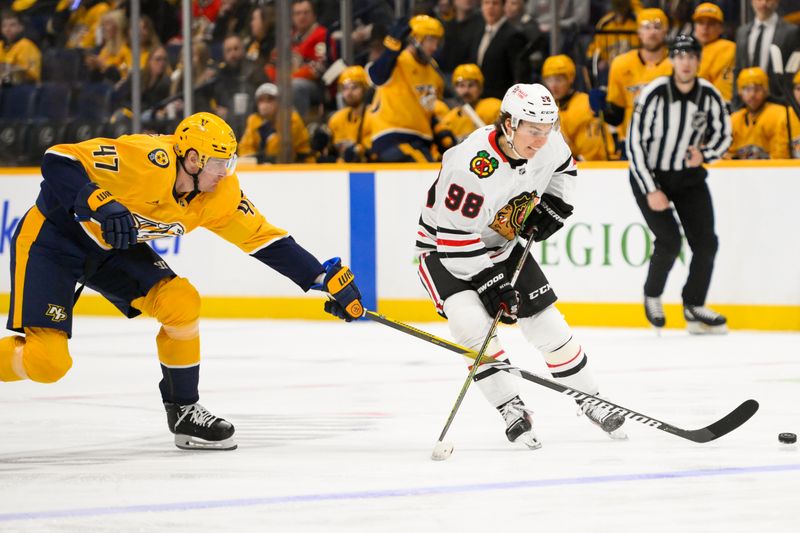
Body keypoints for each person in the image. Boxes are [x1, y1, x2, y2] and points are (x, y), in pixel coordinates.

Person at [0, 112, 363, 451]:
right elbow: (57, 159)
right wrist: (99, 199)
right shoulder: (144, 159)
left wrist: (321, 276)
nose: (226, 172)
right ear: (192, 159)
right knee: (48, 364)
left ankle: (185, 412)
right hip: (55, 238)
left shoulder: (218, 193)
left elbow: (264, 239)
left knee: (181, 302)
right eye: (219, 163)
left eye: (230, 162)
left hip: (116, 247)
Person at [415, 82, 627, 449]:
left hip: (502, 242)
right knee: (473, 329)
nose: (542, 139)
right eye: (533, 130)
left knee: (548, 324)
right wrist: (490, 283)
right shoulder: (472, 165)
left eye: (547, 129)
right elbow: (453, 237)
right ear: (509, 123)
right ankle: (510, 407)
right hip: (444, 251)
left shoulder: (549, 141)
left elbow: (564, 170)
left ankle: (590, 397)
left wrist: (555, 207)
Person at [626, 35, 732, 334]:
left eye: (691, 56)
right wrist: (651, 188)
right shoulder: (654, 93)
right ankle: (653, 294)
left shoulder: (709, 95)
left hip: (688, 178)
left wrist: (705, 154)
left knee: (707, 243)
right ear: (672, 60)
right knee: (670, 240)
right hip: (651, 176)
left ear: (699, 61)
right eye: (680, 55)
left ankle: (693, 305)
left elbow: (725, 134)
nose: (685, 61)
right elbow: (634, 144)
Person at [367, 15, 445, 162]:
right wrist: (392, 47)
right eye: (430, 40)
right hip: (392, 137)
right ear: (415, 39)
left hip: (421, 140)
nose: (434, 47)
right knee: (425, 171)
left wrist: (442, 134)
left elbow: (428, 107)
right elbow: (376, 75)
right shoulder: (398, 61)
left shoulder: (433, 71)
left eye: (437, 41)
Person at [591, 8, 673, 148]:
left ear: (666, 31)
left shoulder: (678, 64)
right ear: (638, 32)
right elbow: (616, 117)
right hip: (630, 144)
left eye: (657, 26)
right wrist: (602, 110)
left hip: (669, 143)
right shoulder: (621, 64)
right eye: (646, 27)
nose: (652, 32)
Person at [542, 54, 616, 161]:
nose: (553, 85)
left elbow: (596, 144)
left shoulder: (587, 102)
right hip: (572, 167)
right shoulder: (548, 109)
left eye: (558, 80)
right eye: (549, 80)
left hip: (599, 167)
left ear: (570, 79)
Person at [734, 0, 800, 105]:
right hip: (746, 104)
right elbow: (738, 69)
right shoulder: (742, 32)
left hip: (779, 102)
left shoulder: (791, 32)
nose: (764, 3)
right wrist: (736, 102)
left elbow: (793, 72)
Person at [238, 82, 313, 163]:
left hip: (301, 167)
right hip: (266, 168)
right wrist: (253, 159)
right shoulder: (254, 120)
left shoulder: (290, 119)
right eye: (261, 100)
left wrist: (261, 157)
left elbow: (279, 151)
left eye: (270, 99)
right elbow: (244, 148)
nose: (265, 104)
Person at [727, 67, 790, 160]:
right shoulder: (734, 119)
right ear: (740, 92)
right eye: (747, 89)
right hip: (742, 172)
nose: (752, 94)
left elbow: (780, 156)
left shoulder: (779, 114)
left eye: (757, 89)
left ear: (765, 91)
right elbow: (727, 154)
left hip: (771, 171)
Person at [435, 63, 501, 146]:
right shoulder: (449, 121)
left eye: (471, 85)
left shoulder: (493, 107)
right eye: (461, 85)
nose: (466, 90)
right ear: (454, 89)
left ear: (480, 88)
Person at [327, 66, 373, 162]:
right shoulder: (336, 119)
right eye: (345, 88)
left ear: (365, 89)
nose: (349, 92)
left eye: (354, 87)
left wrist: (358, 151)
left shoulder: (374, 116)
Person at [692, 2, 736, 104]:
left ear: (721, 28)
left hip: (717, 106)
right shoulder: (690, 49)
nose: (705, 28)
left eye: (711, 23)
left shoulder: (728, 48)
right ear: (694, 26)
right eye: (701, 23)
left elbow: (724, 94)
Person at [0, 10, 41, 85]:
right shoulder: (1, 45)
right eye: (4, 26)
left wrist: (7, 71)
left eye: (12, 25)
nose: (7, 29)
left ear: (21, 27)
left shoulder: (26, 45)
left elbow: (27, 74)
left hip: (24, 88)